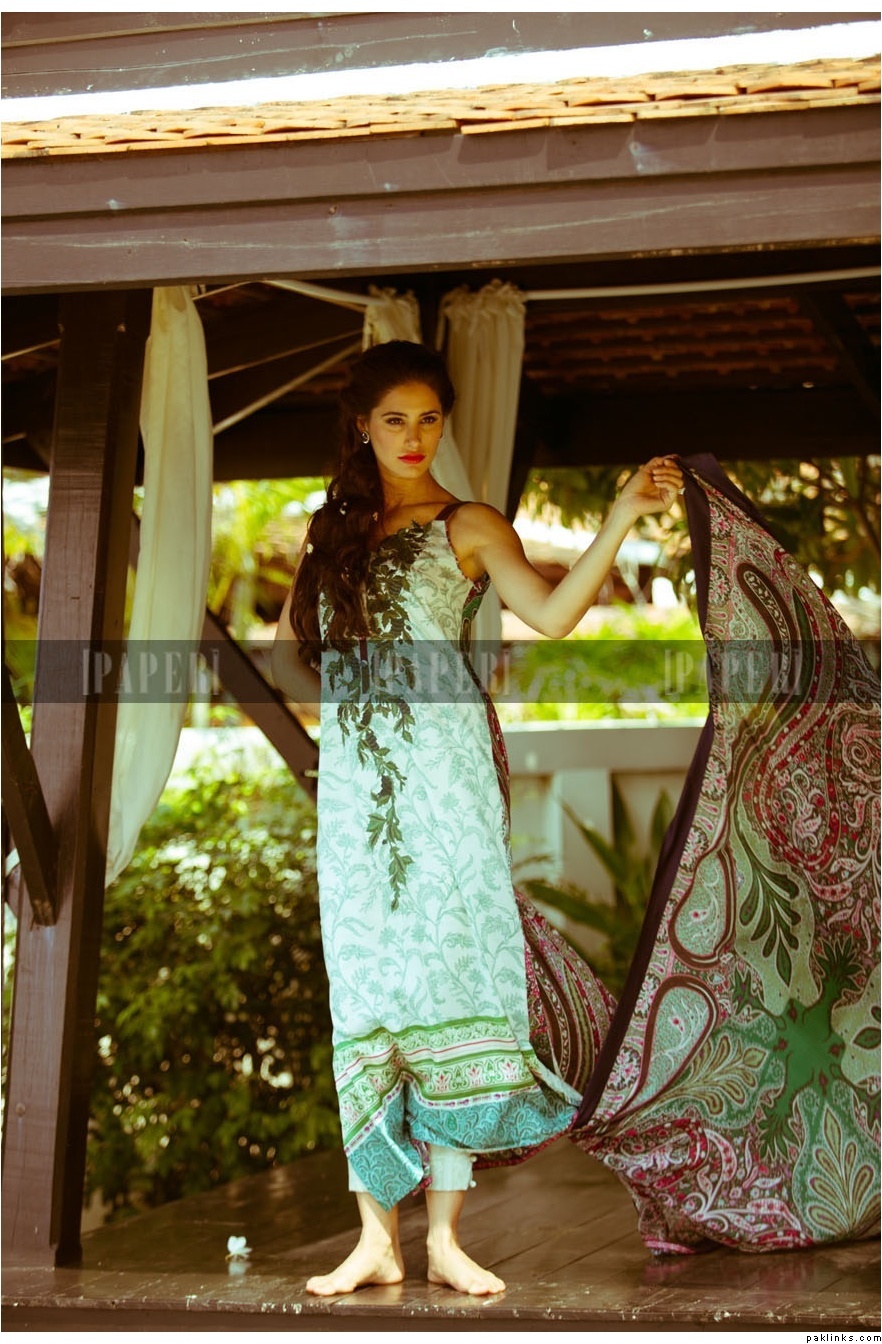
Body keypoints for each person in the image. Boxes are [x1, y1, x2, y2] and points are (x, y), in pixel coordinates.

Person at [271, 339, 683, 1297]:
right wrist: (360, 705)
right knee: (368, 994)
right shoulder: (331, 530)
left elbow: (553, 613)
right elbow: (297, 652)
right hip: (358, 797)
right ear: (362, 427)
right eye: (394, 420)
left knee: (450, 980)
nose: (414, 437)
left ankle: (446, 1239)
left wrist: (621, 516)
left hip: (449, 785)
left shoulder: (469, 523)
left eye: (428, 419)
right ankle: (375, 1238)